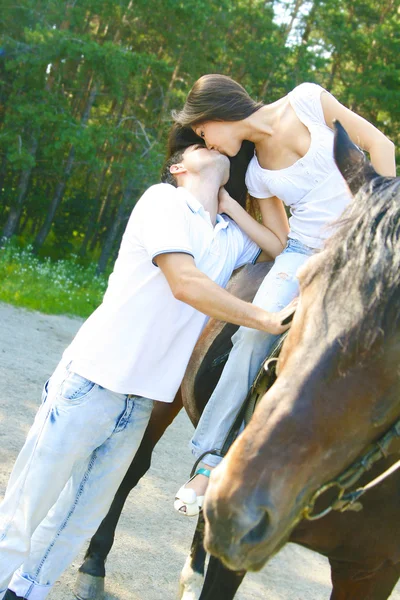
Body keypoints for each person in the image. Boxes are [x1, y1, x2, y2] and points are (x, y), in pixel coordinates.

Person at [0, 142, 296, 600]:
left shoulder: (227, 236)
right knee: (25, 510)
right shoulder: (162, 201)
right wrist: (265, 321)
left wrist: (245, 193)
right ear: (179, 166)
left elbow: (279, 245)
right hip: (91, 382)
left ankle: (26, 593)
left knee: (75, 522)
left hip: (139, 404)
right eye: (199, 146)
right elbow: (186, 283)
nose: (213, 147)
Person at [173, 74, 396, 516]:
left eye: (203, 132)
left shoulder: (308, 99)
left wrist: (383, 224)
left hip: (360, 246)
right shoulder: (255, 174)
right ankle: (209, 463)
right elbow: (279, 243)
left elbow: (381, 146)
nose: (209, 144)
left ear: (218, 114)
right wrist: (234, 206)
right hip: (301, 254)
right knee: (253, 335)